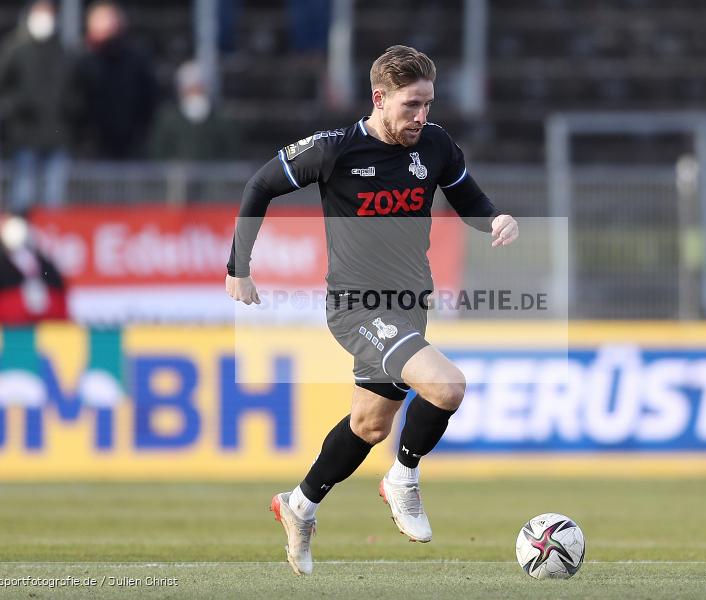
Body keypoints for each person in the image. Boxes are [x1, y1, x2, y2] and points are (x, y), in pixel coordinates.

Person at [225, 45, 519, 575]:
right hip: (357, 306)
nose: (422, 116)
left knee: (369, 425)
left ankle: (299, 505)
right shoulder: (335, 150)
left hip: (410, 303)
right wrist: (238, 268)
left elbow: (468, 200)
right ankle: (402, 479)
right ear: (379, 99)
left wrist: (495, 220)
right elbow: (261, 185)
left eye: (428, 103)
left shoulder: (435, 146)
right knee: (447, 386)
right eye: (411, 105)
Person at [0, 0, 72, 212]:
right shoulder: (14, 48)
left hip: (57, 136)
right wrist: (14, 106)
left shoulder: (64, 51)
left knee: (54, 199)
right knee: (22, 195)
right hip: (24, 135)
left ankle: (50, 242)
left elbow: (75, 91)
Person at [69, 1, 159, 159]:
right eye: (101, 20)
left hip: (128, 143)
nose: (106, 27)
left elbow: (148, 99)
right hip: (90, 146)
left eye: (110, 20)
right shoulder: (80, 59)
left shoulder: (136, 58)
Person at [148, 60, 240, 161]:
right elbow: (158, 153)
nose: (194, 93)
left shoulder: (221, 122)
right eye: (189, 89)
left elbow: (231, 154)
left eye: (198, 88)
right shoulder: (167, 120)